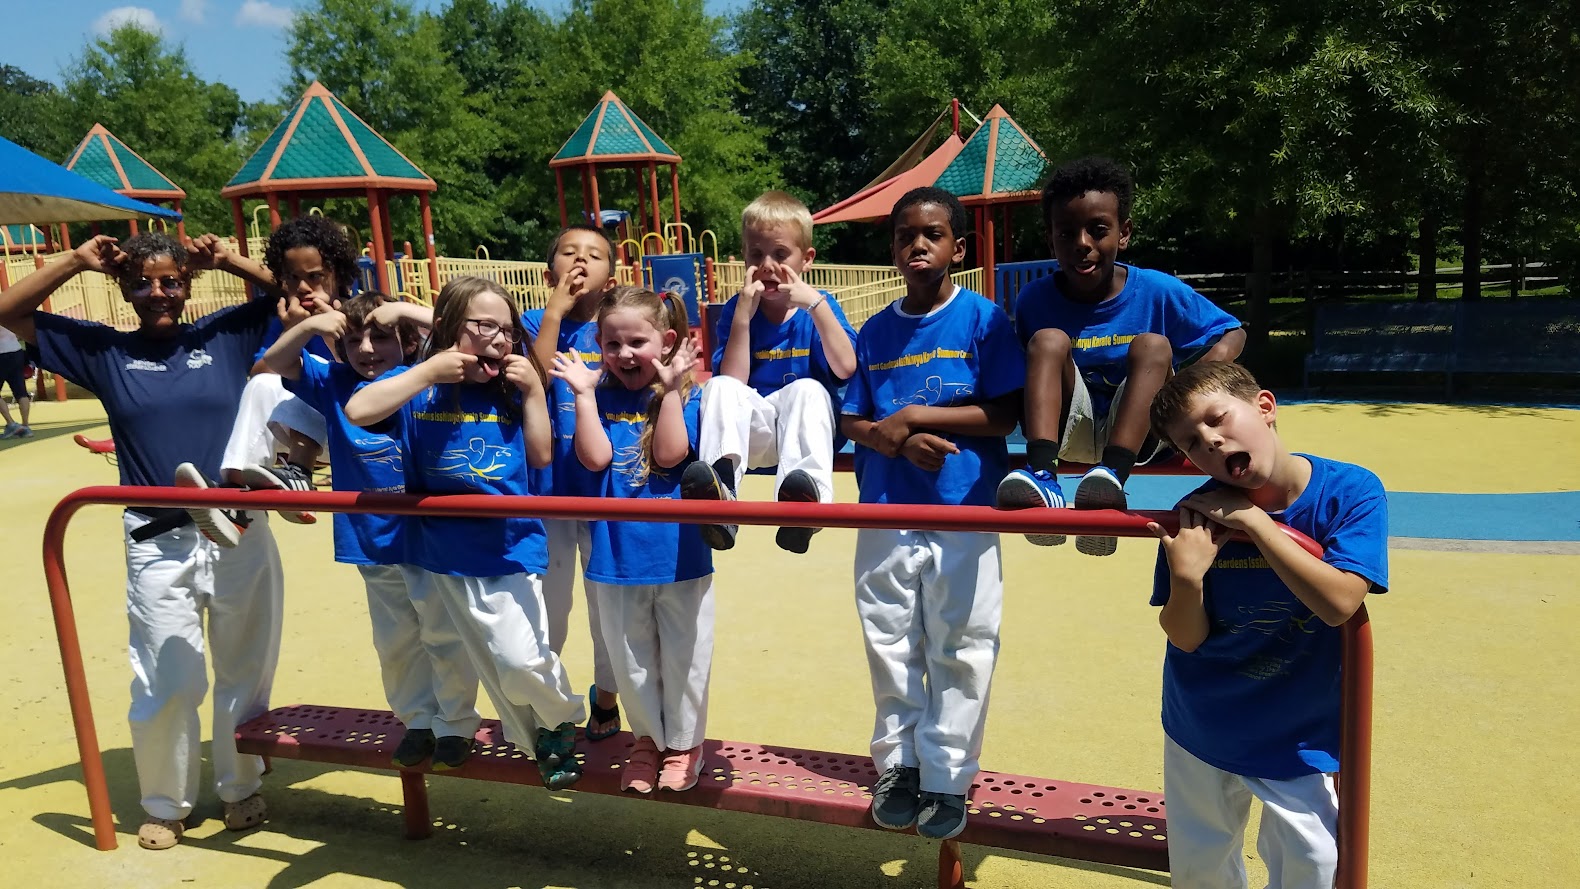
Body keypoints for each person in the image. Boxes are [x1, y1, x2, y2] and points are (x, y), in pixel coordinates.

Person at [0, 232, 293, 850]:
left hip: (237, 527)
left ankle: (240, 786)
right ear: (124, 288)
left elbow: (302, 295)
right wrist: (76, 260)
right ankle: (166, 801)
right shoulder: (104, 351)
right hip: (157, 536)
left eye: (171, 281)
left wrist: (231, 261)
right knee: (165, 672)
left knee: (245, 666)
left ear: (188, 284)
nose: (158, 293)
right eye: (143, 282)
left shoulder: (225, 335)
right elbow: (7, 315)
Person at [1146, 361, 1387, 889]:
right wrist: (1187, 578)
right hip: (1201, 720)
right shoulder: (1194, 512)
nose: (1210, 441)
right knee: (1201, 866)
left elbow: (1339, 603)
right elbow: (1186, 636)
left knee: (1313, 862)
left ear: (1265, 407)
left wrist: (1255, 523)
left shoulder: (1349, 492)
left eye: (1217, 419)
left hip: (1296, 727)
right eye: (1191, 442)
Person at [345, 276, 587, 790]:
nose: (500, 338)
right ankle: (545, 739)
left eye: (506, 329)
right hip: (445, 553)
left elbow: (541, 455)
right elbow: (358, 411)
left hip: (510, 547)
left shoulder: (510, 388)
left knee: (520, 657)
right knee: (495, 663)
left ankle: (564, 715)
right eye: (484, 326)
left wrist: (536, 394)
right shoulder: (422, 385)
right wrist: (427, 369)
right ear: (452, 328)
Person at [839, 187, 1025, 841]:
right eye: (905, 235)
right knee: (889, 642)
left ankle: (949, 775)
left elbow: (1005, 413)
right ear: (892, 248)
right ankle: (898, 765)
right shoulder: (874, 331)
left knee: (962, 644)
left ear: (958, 247)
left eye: (933, 234)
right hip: (886, 508)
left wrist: (916, 416)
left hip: (965, 508)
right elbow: (854, 418)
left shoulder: (982, 320)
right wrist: (891, 437)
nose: (918, 244)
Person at [260, 293, 482, 770]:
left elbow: (469, 339)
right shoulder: (333, 381)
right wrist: (313, 325)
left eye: (379, 337)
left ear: (407, 342)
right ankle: (417, 720)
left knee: (443, 633)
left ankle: (456, 722)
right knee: (396, 639)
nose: (365, 349)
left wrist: (403, 311)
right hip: (371, 537)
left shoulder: (425, 376)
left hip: (428, 537)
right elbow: (271, 362)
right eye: (353, 340)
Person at [995, 156, 1245, 556]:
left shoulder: (1156, 290)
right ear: (1051, 239)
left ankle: (1110, 480)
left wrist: (1190, 387)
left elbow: (1233, 332)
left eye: (1097, 230)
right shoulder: (1035, 299)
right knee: (1046, 341)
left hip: (1139, 431)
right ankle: (1042, 474)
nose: (1082, 244)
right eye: (1067, 233)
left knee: (1153, 345)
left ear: (1123, 233)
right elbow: (1024, 372)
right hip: (1067, 429)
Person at [549, 285, 713, 794]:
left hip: (679, 555)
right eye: (612, 344)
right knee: (630, 659)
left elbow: (669, 456)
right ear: (599, 343)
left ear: (665, 341)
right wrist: (582, 394)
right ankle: (647, 739)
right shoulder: (597, 396)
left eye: (637, 342)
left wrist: (667, 389)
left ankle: (684, 743)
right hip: (614, 559)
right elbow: (595, 460)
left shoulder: (688, 395)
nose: (624, 355)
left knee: (684, 656)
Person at [681, 191, 858, 554]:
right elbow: (734, 381)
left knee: (809, 388)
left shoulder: (819, 305)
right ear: (744, 256)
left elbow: (846, 367)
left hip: (805, 431)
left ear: (806, 259)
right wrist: (744, 318)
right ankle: (721, 496)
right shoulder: (737, 309)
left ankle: (805, 505)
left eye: (780, 254)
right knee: (718, 386)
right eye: (756, 254)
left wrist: (815, 305)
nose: (767, 265)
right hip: (752, 433)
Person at [181, 216, 361, 539]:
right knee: (263, 384)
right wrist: (297, 333)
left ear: (340, 276)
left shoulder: (358, 311)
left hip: (357, 425)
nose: (303, 287)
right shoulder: (289, 316)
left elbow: (363, 376)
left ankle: (299, 476)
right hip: (306, 430)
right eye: (292, 278)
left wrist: (329, 330)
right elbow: (260, 371)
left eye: (315, 277)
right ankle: (236, 501)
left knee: (323, 375)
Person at [524, 224, 623, 743]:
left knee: (607, 603)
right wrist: (555, 313)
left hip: (607, 493)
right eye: (569, 252)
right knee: (550, 607)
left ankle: (606, 698)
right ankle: (550, 703)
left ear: (611, 279)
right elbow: (535, 381)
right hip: (549, 493)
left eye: (595, 256)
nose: (581, 262)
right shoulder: (532, 323)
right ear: (550, 272)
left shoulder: (616, 326)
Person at [0, 321, 32, 437]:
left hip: (1, 353)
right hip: (16, 351)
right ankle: (25, 426)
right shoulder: (9, 309)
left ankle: (11, 423)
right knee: (21, 391)